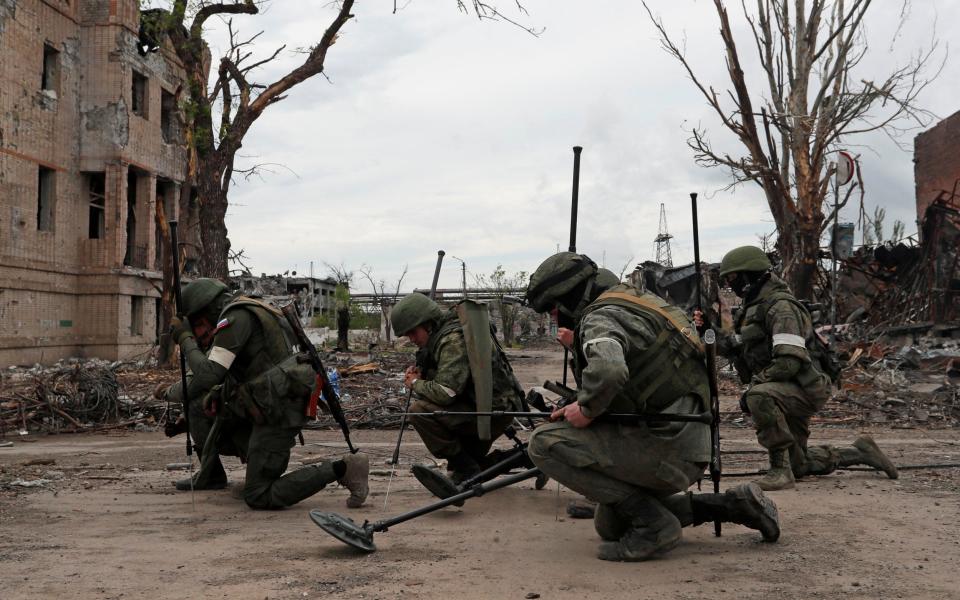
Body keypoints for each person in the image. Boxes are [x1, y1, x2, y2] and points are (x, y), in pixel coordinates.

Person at [525, 252, 780, 562]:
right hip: (694, 441)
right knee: (611, 523)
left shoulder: (599, 318)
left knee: (543, 444)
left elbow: (609, 371)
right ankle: (732, 505)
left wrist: (587, 408)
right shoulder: (644, 304)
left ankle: (656, 527)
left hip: (666, 446)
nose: (554, 319)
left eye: (553, 310)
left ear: (568, 301)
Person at [159, 278, 369, 510]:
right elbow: (248, 367)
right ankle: (214, 474)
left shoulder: (236, 318)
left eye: (197, 325)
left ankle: (344, 468)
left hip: (279, 410)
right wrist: (218, 393)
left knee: (258, 495)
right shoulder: (251, 309)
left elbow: (209, 375)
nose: (198, 334)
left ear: (208, 311)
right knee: (199, 404)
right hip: (268, 401)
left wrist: (185, 339)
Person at [706, 246, 898, 491]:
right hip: (787, 387)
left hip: (804, 387)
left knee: (758, 396)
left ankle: (779, 471)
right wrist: (707, 332)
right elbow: (737, 346)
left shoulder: (781, 308)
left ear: (749, 276)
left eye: (733, 279)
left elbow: (789, 361)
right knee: (801, 464)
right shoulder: (754, 307)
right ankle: (860, 452)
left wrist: (754, 387)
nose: (730, 285)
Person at [391, 293, 524, 490]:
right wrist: (424, 374)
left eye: (413, 332)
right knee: (469, 468)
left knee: (419, 412)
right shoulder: (444, 334)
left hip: (490, 413)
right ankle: (522, 458)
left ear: (428, 323)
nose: (411, 339)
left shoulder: (452, 340)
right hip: (485, 407)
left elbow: (445, 393)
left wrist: (416, 383)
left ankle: (468, 468)